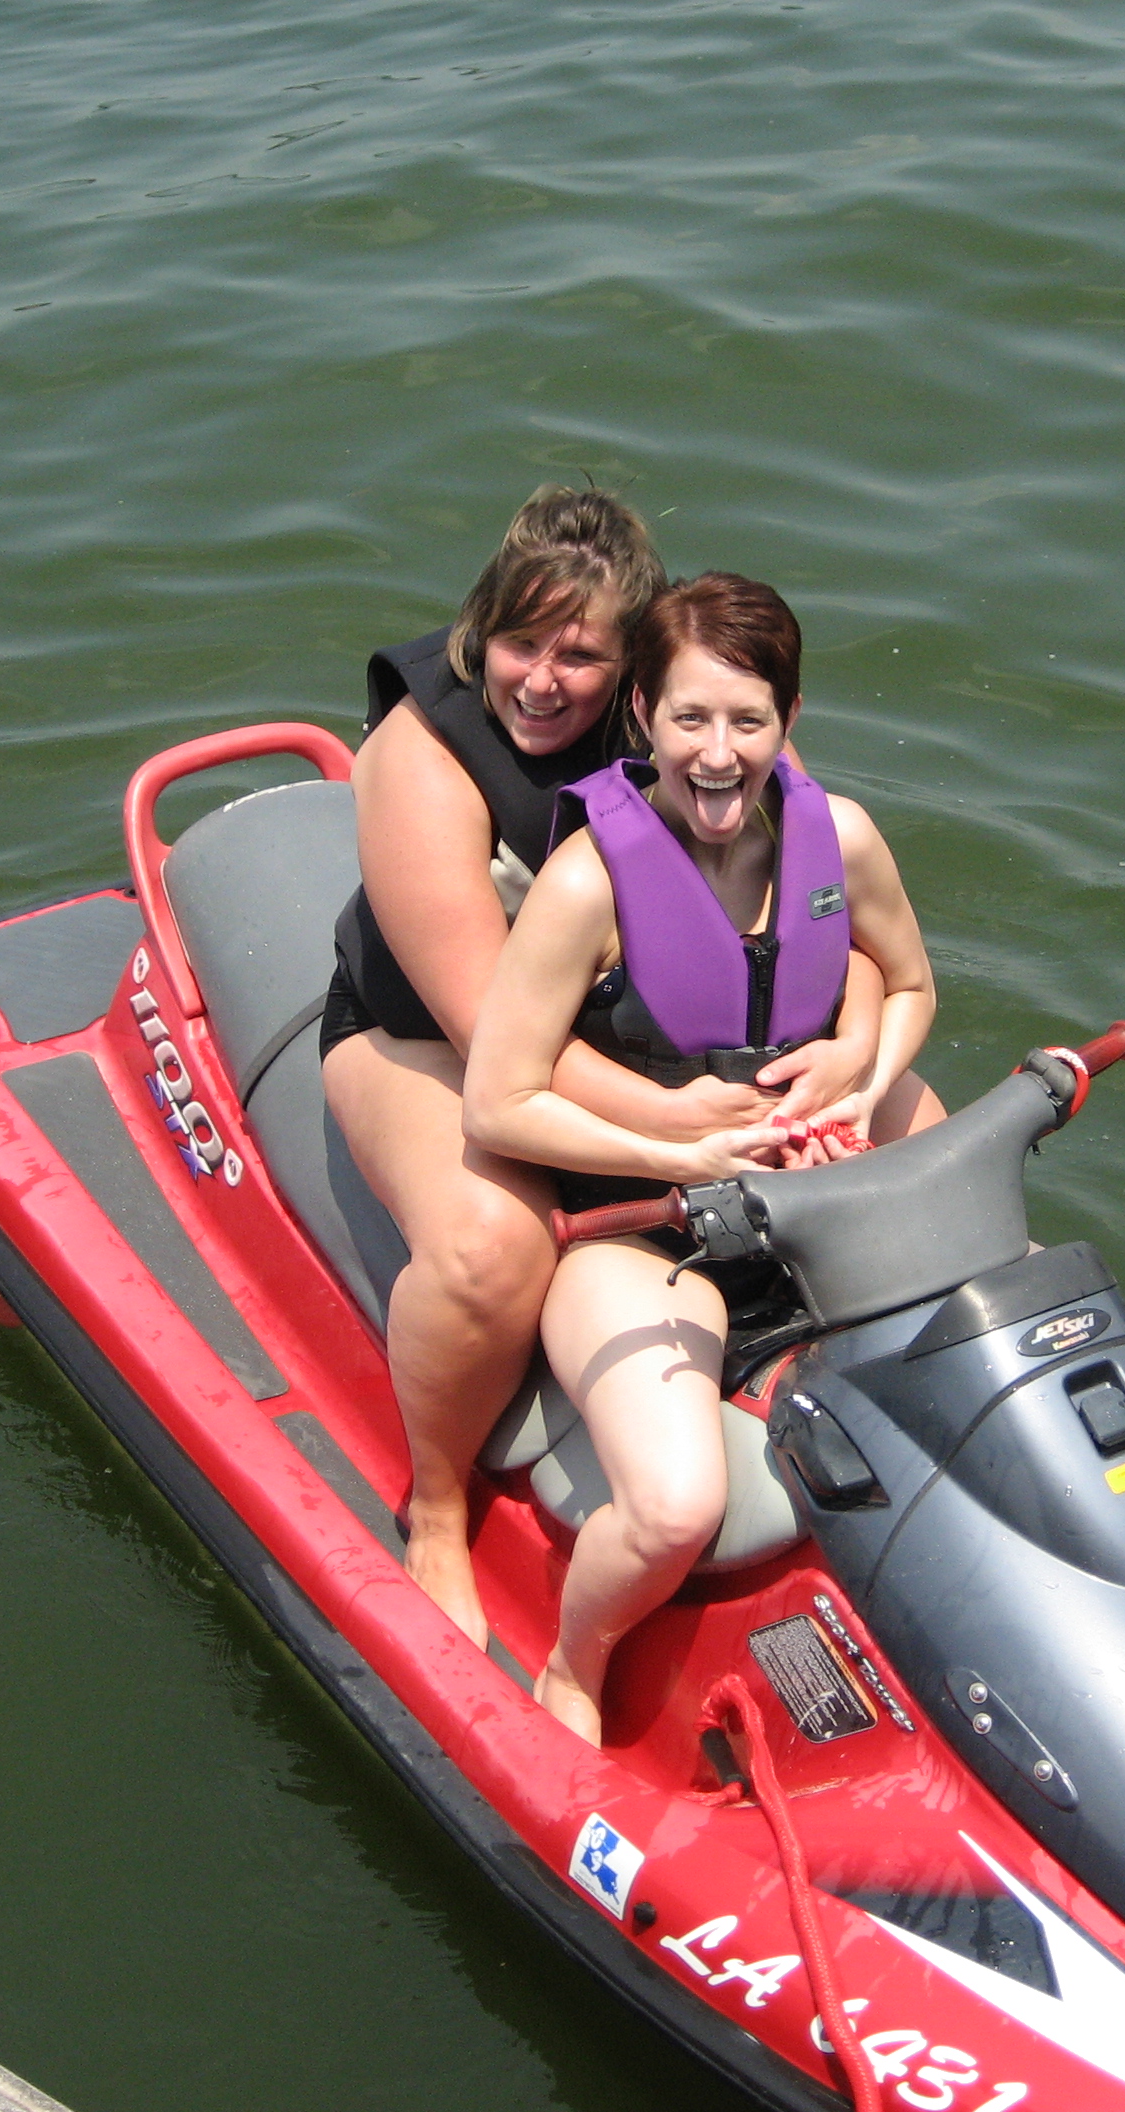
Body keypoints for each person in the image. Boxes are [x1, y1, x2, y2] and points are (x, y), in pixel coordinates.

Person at [320, 494, 882, 1650]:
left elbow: (841, 929)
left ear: (632, 669)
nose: (540, 681)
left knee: (905, 1143)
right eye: (518, 643)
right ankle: (437, 1505)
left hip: (652, 1038)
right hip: (426, 1039)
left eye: (577, 656)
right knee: (493, 1247)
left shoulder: (694, 721)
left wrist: (843, 1065)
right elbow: (488, 1033)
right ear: (480, 630)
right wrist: (691, 1125)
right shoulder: (420, 759)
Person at [462, 573, 937, 1744]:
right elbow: (498, 1103)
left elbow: (910, 983)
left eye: (746, 721)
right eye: (689, 719)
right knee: (674, 1509)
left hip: (805, 1203)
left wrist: (855, 1080)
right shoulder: (587, 883)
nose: (717, 755)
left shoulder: (840, 840)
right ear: (641, 715)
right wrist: (675, 1145)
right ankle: (574, 1667)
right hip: (637, 1235)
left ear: (788, 719)